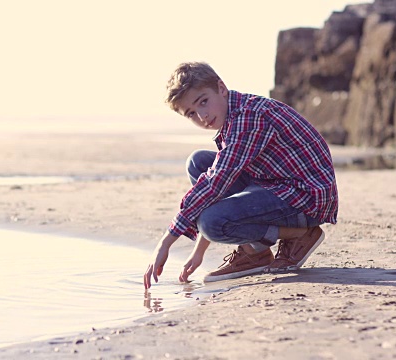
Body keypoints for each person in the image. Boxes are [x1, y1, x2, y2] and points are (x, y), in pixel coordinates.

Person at [143, 62, 338, 289]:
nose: (202, 115)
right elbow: (217, 181)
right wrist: (199, 253)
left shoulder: (249, 118)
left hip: (306, 200)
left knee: (212, 222)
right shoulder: (232, 116)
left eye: (203, 101)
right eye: (191, 113)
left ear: (221, 88)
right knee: (199, 163)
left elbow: (217, 183)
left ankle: (300, 235)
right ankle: (255, 251)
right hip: (277, 186)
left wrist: (165, 242)